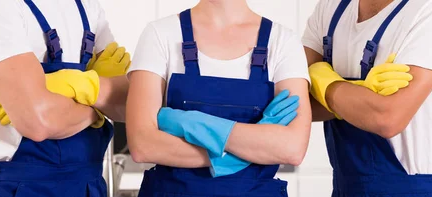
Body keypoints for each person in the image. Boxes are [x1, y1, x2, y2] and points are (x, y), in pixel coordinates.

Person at [125, 0, 312, 196]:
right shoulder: (160, 34)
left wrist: (191, 123)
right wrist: (245, 150)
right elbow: (143, 145)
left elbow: (292, 148)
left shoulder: (283, 42)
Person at [0, 0, 130, 196]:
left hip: (88, 183)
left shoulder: (85, 5)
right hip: (17, 186)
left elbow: (128, 103)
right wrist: (97, 99)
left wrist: (81, 86)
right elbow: (38, 123)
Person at [302, 0, 432, 196]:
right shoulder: (331, 7)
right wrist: (362, 95)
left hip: (414, 190)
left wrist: (323, 81)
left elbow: (387, 118)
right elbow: (299, 100)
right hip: (347, 187)